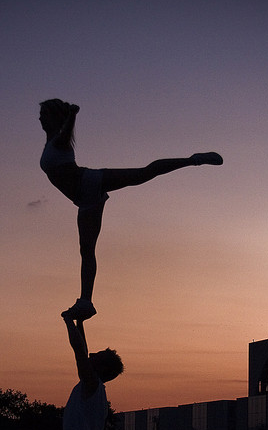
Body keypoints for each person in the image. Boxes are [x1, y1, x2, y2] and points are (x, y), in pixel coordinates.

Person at [39, 99, 223, 320]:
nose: (39, 117)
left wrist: (72, 116)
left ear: (52, 116)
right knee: (86, 251)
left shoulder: (60, 141)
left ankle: (194, 160)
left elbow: (66, 131)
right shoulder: (51, 140)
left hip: (89, 182)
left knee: (143, 174)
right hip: (84, 200)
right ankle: (86, 301)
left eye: (42, 113)